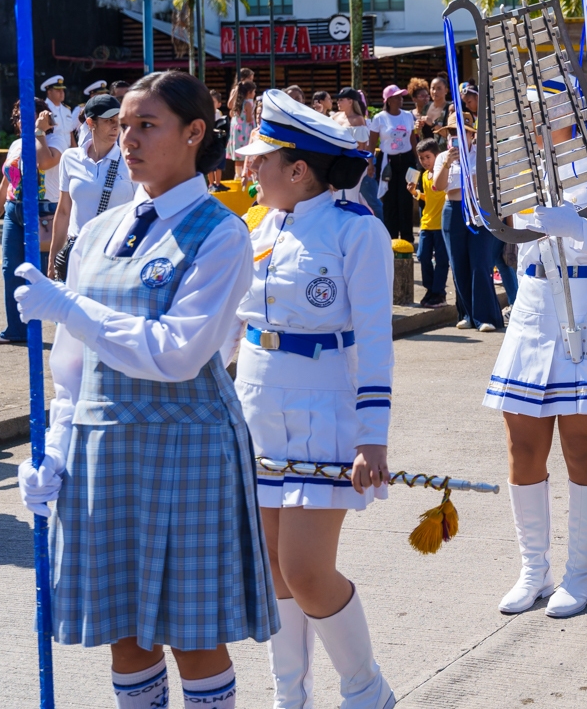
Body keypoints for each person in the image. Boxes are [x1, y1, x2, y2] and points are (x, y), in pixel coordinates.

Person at [11, 71, 275, 709]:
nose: (126, 139)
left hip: (187, 445)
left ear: (194, 133)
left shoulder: (221, 233)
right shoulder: (97, 231)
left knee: (194, 633)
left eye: (145, 125)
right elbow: (72, 364)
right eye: (122, 125)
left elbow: (178, 351)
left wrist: (70, 309)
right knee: (123, 631)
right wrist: (52, 447)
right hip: (105, 445)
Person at [231, 89, 396, 709]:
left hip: (325, 412)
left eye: (260, 159)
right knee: (274, 571)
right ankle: (289, 697)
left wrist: (371, 435)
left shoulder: (359, 232)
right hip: (257, 407)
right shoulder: (260, 226)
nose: (248, 168)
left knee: (305, 570)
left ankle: (365, 690)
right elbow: (234, 324)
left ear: (298, 170)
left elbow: (376, 342)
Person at [484, 79, 587, 619]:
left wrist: (580, 229)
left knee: (581, 447)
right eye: (529, 110)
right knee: (523, 446)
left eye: (544, 109)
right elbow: (498, 225)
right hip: (533, 307)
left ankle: (580, 574)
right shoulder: (516, 164)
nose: (535, 120)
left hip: (586, 305)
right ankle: (535, 570)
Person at [0, 99, 62, 344]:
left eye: (26, 116)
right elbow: (6, 182)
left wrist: (40, 132)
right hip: (14, 211)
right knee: (11, 270)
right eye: (18, 117)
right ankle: (16, 329)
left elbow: (44, 162)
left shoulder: (56, 140)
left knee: (40, 273)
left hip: (42, 214)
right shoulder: (16, 145)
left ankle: (46, 327)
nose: (20, 121)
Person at [49, 95, 136, 279]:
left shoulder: (131, 161)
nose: (115, 126)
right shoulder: (70, 158)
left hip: (115, 254)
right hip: (77, 254)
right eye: (108, 121)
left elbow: (141, 212)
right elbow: (64, 211)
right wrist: (53, 260)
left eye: (118, 121)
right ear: (91, 122)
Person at [432, 121, 504, 332]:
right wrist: (447, 163)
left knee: (480, 264)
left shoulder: (483, 155)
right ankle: (466, 314)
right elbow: (439, 186)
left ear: (472, 136)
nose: (455, 137)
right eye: (451, 133)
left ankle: (485, 317)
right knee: (458, 264)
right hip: (453, 210)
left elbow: (488, 182)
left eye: (461, 133)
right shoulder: (442, 157)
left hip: (478, 212)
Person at [370, 85, 418, 244]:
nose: (400, 99)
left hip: (406, 160)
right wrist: (370, 162)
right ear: (388, 100)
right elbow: (372, 143)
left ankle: (407, 239)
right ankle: (390, 239)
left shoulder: (408, 116)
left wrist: (417, 159)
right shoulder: (379, 118)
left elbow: (412, 139)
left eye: (401, 96)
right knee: (389, 200)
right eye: (396, 97)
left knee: (405, 198)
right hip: (387, 161)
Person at [411, 138, 449, 308]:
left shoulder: (445, 173)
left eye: (428, 157)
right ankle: (431, 289)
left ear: (437, 156)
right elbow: (429, 197)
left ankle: (439, 292)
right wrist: (416, 193)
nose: (425, 161)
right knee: (422, 256)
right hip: (426, 222)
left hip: (441, 224)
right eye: (421, 158)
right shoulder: (425, 176)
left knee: (441, 260)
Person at [227, 82, 258, 180]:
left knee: (238, 155)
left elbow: (231, 111)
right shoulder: (248, 104)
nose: (254, 94)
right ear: (249, 92)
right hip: (245, 130)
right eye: (254, 92)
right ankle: (246, 175)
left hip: (237, 131)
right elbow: (248, 119)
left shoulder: (237, 103)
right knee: (246, 154)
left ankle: (238, 174)